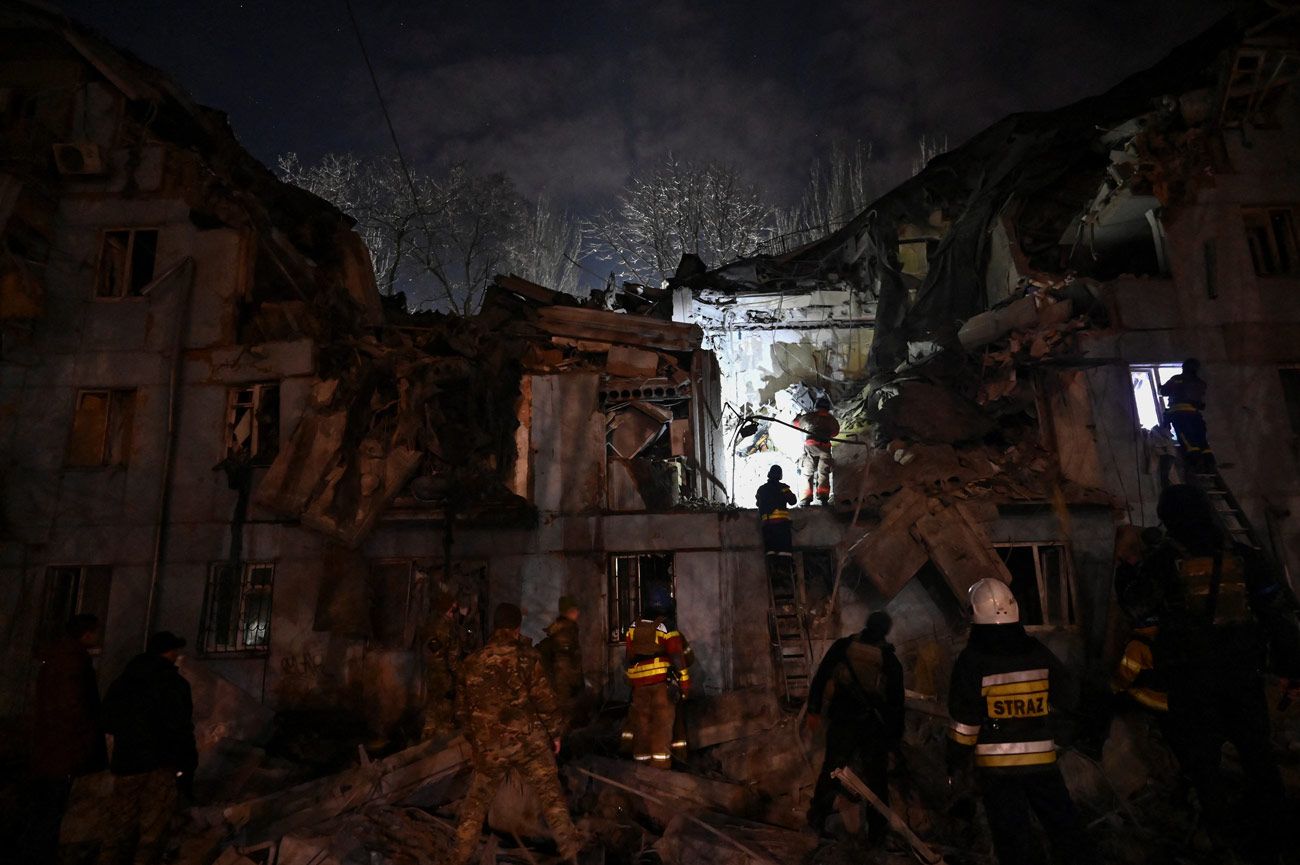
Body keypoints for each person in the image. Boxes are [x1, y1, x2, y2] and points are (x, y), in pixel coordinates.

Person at [1122, 484, 1300, 863]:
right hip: (1242, 677)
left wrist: (1129, 569)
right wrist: (1291, 668)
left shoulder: (1162, 562)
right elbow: (1276, 617)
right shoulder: (1245, 557)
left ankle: (1223, 844)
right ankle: (1277, 840)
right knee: (1259, 759)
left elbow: (1137, 609)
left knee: (1204, 766)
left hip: (1192, 682)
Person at [947, 579, 1091, 865]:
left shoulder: (972, 660)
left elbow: (964, 724)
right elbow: (1070, 698)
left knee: (1012, 839)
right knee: (1065, 828)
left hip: (997, 769)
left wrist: (954, 762)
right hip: (1042, 762)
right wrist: (1061, 735)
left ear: (974, 615)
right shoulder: (1037, 652)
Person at [450, 603, 582, 864]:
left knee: (476, 804)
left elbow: (461, 712)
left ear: (496, 626)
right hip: (528, 744)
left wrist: (478, 740)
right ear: (516, 627)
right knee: (551, 796)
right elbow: (545, 701)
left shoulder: (472, 662)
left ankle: (459, 857)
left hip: (490, 747)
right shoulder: (527, 657)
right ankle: (571, 854)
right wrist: (555, 735)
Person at [98, 631, 197, 865]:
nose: (177, 655)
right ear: (169, 652)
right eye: (175, 650)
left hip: (128, 761)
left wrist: (130, 735)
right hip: (160, 764)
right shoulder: (174, 684)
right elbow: (181, 728)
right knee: (153, 829)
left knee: (119, 825)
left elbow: (107, 720)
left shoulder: (124, 681)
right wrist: (187, 764)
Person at [805, 611, 904, 843]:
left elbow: (821, 677)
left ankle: (816, 821)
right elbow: (896, 705)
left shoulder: (843, 647)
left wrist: (814, 709)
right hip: (872, 728)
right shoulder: (889, 659)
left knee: (831, 770)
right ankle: (877, 834)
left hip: (842, 721)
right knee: (877, 780)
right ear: (886, 631)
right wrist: (894, 739)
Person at [18, 614, 107, 864]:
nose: (98, 636)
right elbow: (73, 708)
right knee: (51, 809)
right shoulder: (73, 662)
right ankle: (40, 855)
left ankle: (35, 852)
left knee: (45, 807)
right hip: (62, 749)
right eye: (95, 631)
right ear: (86, 634)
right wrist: (84, 741)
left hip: (50, 747)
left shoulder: (59, 658)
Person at [624, 590, 693, 769]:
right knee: (661, 726)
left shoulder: (633, 626)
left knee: (642, 725)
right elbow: (677, 657)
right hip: (661, 685)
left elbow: (629, 655)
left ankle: (641, 766)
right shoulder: (666, 627)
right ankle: (660, 768)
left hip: (639, 686)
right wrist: (685, 684)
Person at [538, 595, 586, 730]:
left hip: (563, 690)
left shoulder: (564, 630)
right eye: (575, 609)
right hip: (565, 692)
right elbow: (563, 666)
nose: (578, 613)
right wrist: (572, 691)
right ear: (569, 611)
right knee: (566, 728)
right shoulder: (566, 632)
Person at [1159, 358, 1213, 471]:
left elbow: (1164, 391)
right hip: (1195, 415)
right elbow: (1201, 403)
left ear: (1184, 367)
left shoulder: (1177, 379)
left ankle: (1195, 463)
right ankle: (1210, 463)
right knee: (1201, 440)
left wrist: (1160, 387)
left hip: (1180, 414)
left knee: (1187, 440)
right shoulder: (1200, 383)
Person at [422, 590, 463, 740]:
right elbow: (451, 659)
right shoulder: (446, 627)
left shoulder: (431, 625)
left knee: (432, 713)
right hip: (444, 678)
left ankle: (428, 739)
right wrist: (458, 677)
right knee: (444, 718)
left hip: (432, 676)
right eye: (452, 610)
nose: (453, 614)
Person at [794, 396, 839, 506]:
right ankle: (823, 497)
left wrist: (798, 417)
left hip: (811, 445)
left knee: (807, 472)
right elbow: (835, 432)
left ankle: (806, 499)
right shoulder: (831, 420)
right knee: (823, 472)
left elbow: (796, 423)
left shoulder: (810, 416)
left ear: (816, 406)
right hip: (825, 447)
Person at [755, 465, 798, 557]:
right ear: (780, 475)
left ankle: (773, 565)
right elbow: (793, 501)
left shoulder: (761, 489)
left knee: (770, 553)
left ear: (769, 474)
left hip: (767, 526)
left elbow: (758, 504)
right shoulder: (783, 488)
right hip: (781, 525)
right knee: (785, 553)